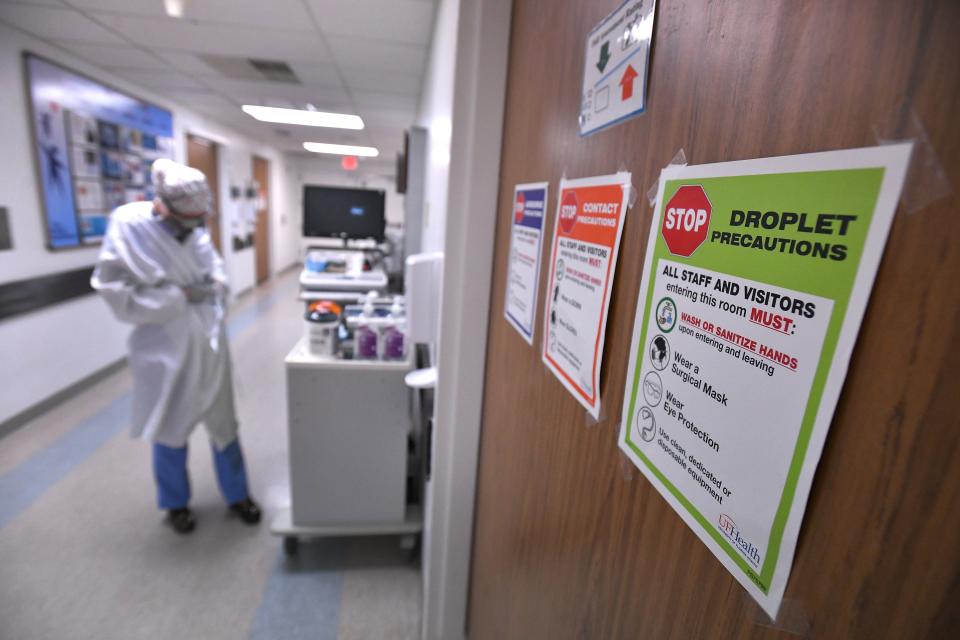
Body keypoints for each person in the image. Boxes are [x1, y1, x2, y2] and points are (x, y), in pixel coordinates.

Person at [91, 159, 261, 534]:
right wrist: (177, 297)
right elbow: (114, 290)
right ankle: (175, 504)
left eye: (200, 220)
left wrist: (215, 285)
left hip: (207, 340)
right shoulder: (129, 226)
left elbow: (213, 266)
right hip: (163, 343)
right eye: (188, 220)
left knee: (224, 423)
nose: (195, 227)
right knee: (169, 426)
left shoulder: (195, 228)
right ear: (163, 205)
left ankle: (238, 495)